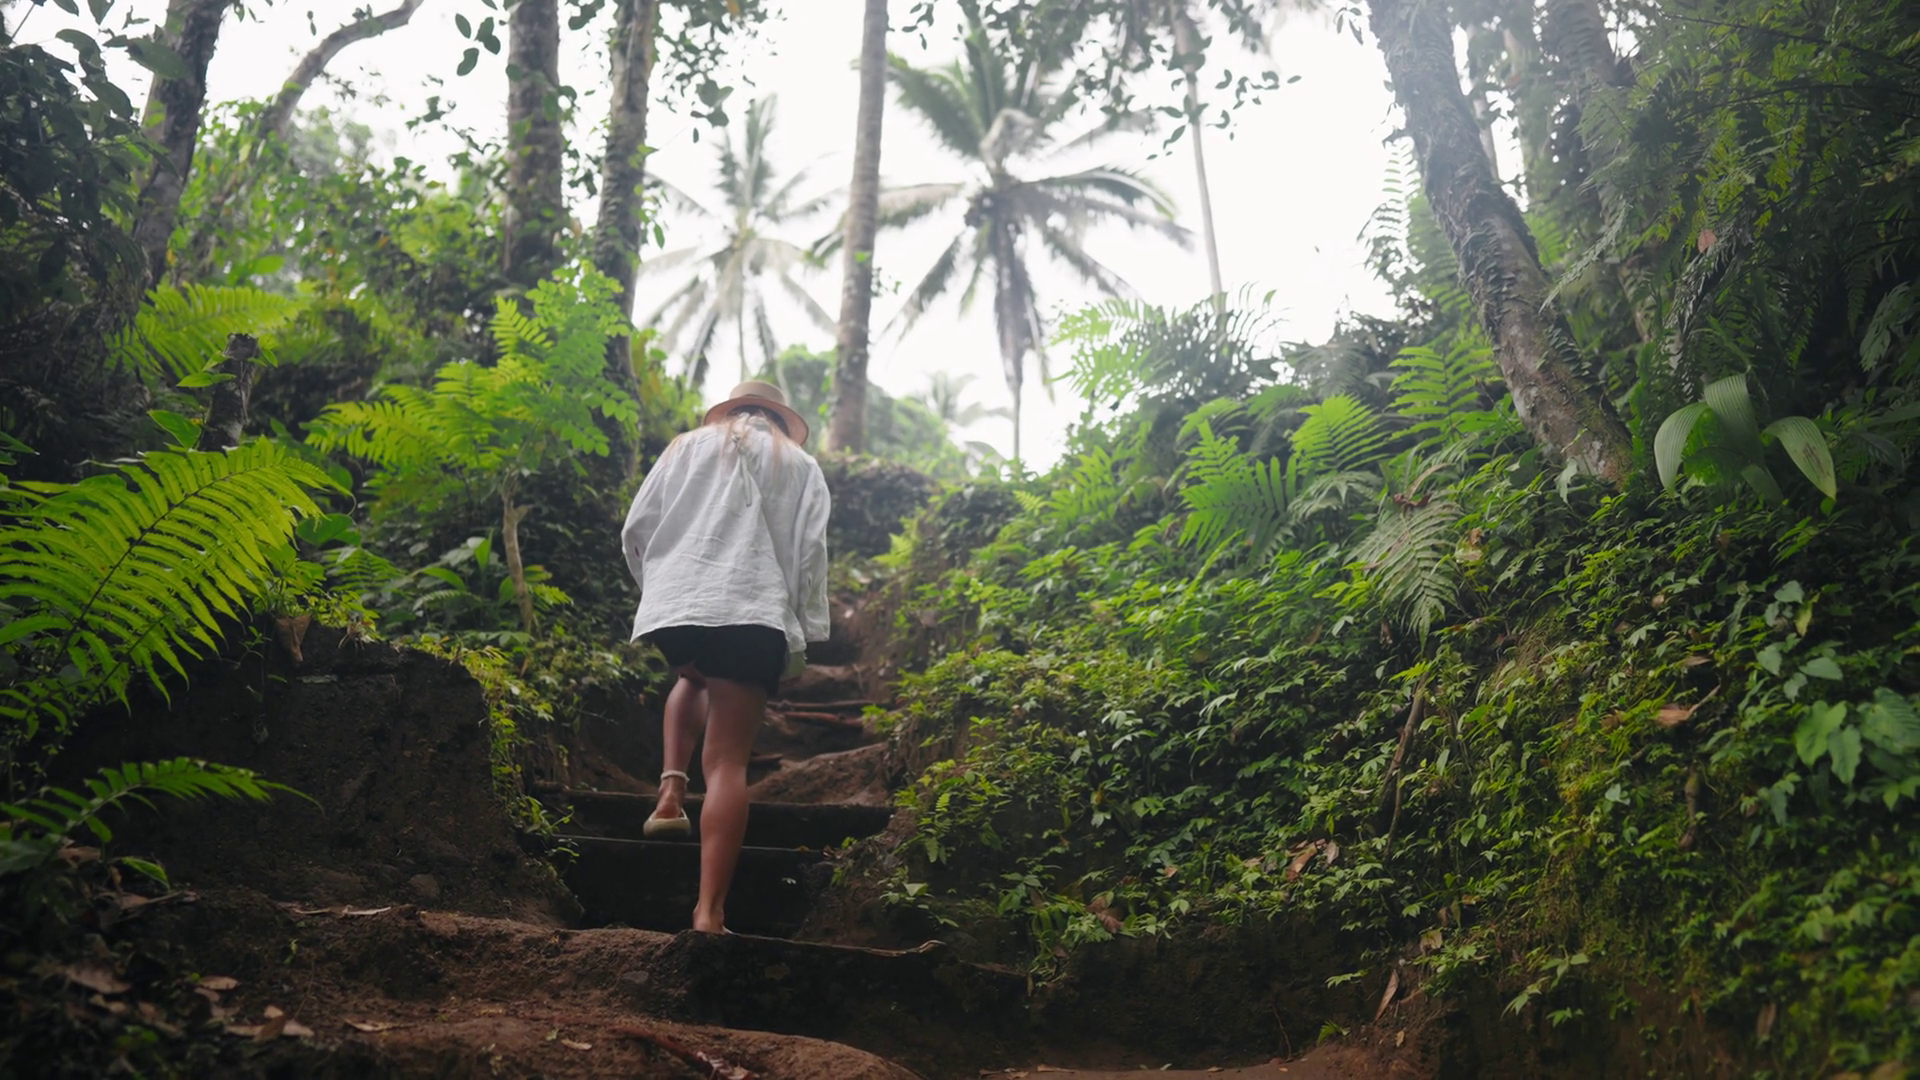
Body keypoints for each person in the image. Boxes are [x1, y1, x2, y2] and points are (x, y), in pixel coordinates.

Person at [619, 380, 831, 934]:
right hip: (752, 612)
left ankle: (670, 791)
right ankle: (709, 913)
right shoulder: (800, 465)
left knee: (694, 676)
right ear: (780, 419)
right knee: (727, 764)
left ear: (732, 410)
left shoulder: (685, 446)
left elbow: (637, 527)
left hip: (678, 606)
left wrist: (659, 590)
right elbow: (810, 553)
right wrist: (799, 631)